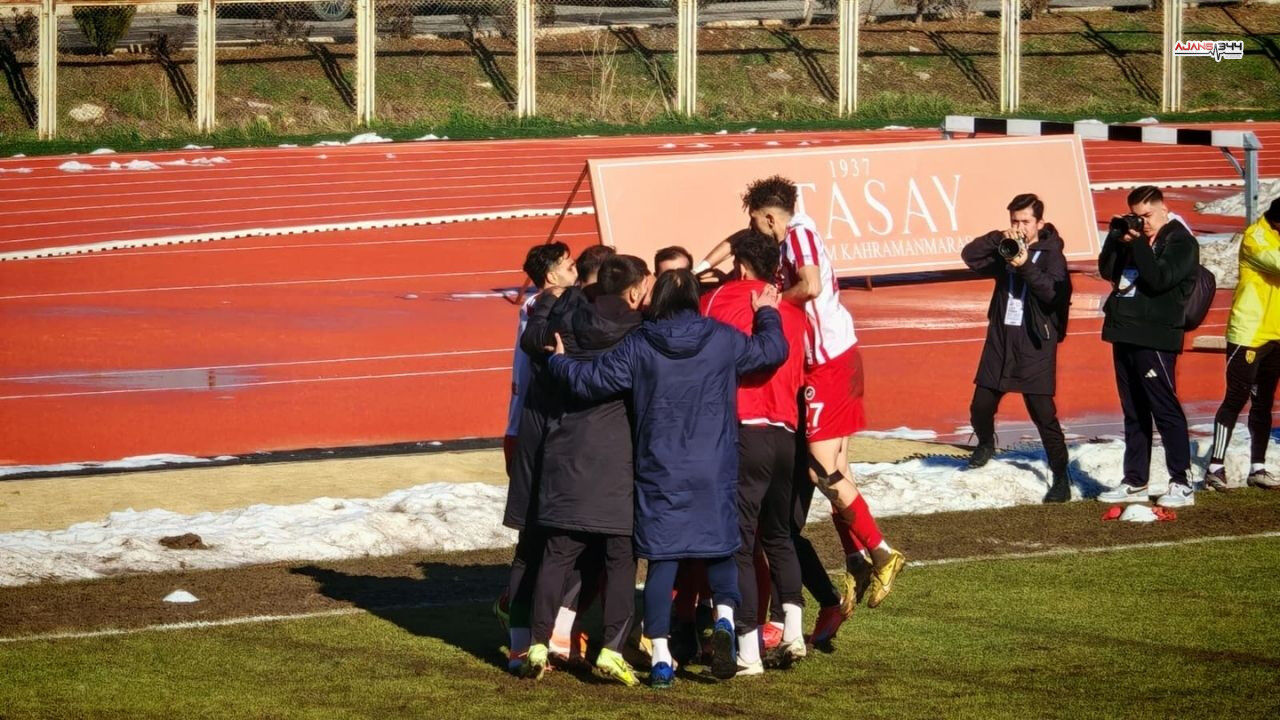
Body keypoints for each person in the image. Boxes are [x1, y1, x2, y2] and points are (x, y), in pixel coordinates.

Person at [548, 269, 787, 688]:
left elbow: (592, 381)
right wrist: (766, 313)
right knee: (720, 550)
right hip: (713, 466)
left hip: (661, 468)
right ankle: (725, 616)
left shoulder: (641, 344)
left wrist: (558, 361)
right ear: (695, 299)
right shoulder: (721, 338)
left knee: (663, 559)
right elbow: (771, 350)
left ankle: (660, 654)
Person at [700, 176, 905, 618]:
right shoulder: (788, 231)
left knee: (819, 469)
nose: (754, 230)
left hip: (827, 362)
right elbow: (737, 240)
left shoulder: (798, 236)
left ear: (769, 217)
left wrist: (774, 303)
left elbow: (809, 285)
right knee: (838, 468)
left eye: (756, 222)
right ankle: (855, 559)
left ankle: (882, 551)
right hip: (834, 358)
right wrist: (703, 263)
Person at [522, 255, 653, 685]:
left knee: (557, 553)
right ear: (633, 290)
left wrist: (550, 298)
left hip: (565, 449)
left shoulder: (567, 319)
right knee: (621, 557)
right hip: (618, 457)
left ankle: (537, 642)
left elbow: (533, 339)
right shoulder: (640, 331)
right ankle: (612, 648)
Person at [700, 230, 808, 673]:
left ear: (740, 265)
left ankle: (748, 650)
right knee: (779, 536)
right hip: (787, 434)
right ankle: (794, 632)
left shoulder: (718, 299)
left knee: (739, 543)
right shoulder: (794, 312)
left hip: (743, 430)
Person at [961, 194, 1074, 503]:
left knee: (1043, 414)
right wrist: (998, 237)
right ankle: (986, 443)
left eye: (1025, 221)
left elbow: (1052, 294)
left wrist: (1024, 265)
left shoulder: (1053, 255)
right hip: (1001, 339)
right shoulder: (1007, 246)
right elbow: (970, 257)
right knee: (980, 405)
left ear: (1039, 222)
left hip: (1034, 343)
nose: (1020, 227)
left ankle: (1061, 477)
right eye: (1015, 221)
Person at [500, 242, 579, 672]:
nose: (576, 272)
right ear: (551, 276)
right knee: (538, 541)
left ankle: (541, 636)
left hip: (530, 430)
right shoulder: (540, 309)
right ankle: (530, 636)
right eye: (570, 266)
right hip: (531, 434)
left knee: (547, 541)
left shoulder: (540, 306)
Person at [1096, 185, 1199, 508]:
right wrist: (1116, 238)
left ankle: (1181, 482)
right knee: (1134, 411)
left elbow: (1158, 279)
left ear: (1163, 209)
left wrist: (1139, 243)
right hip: (1125, 331)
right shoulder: (1137, 239)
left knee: (1164, 409)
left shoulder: (1181, 241)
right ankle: (1135, 480)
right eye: (1137, 217)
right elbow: (1108, 271)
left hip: (1155, 336)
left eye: (1148, 215)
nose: (1144, 222)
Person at [1205, 197, 1280, 492]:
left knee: (1264, 401)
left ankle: (1257, 467)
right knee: (1236, 398)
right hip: (1248, 331)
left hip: (1275, 332)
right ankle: (1215, 466)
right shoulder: (1255, 237)